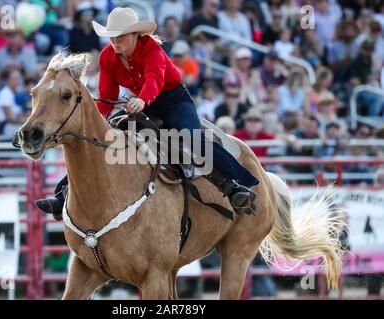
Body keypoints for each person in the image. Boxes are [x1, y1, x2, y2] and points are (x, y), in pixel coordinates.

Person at [28, 7, 259, 218]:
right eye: (112, 36)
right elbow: (107, 94)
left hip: (172, 100)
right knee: (100, 141)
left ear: (135, 36)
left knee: (191, 137)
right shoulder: (109, 57)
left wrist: (142, 100)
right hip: (142, 102)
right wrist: (98, 121)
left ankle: (233, 184)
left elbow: (155, 79)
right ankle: (62, 196)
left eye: (120, 36)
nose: (115, 41)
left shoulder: (152, 49)